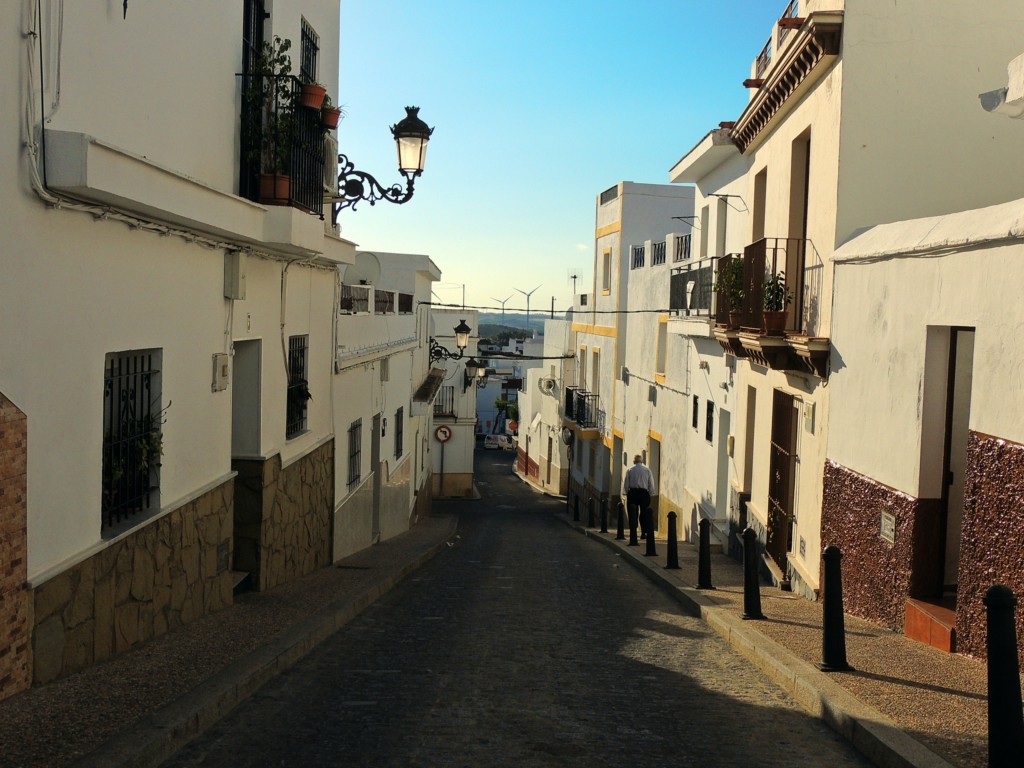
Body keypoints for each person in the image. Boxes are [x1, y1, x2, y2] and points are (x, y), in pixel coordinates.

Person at [623, 454, 654, 541]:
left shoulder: (630, 470)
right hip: (644, 493)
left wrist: (625, 493)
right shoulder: (647, 470)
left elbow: (626, 483)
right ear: (642, 461)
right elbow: (651, 483)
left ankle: (633, 532)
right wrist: (651, 493)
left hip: (632, 493)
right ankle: (644, 532)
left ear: (634, 461)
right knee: (644, 512)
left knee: (633, 512)